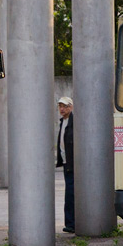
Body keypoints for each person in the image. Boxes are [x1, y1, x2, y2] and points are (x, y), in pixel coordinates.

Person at [55, 95, 74, 232]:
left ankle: (72, 223)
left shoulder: (74, 122)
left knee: (71, 194)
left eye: (65, 106)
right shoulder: (63, 122)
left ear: (71, 107)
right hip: (67, 162)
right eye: (60, 106)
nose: (62, 109)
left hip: (73, 163)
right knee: (69, 193)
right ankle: (69, 223)